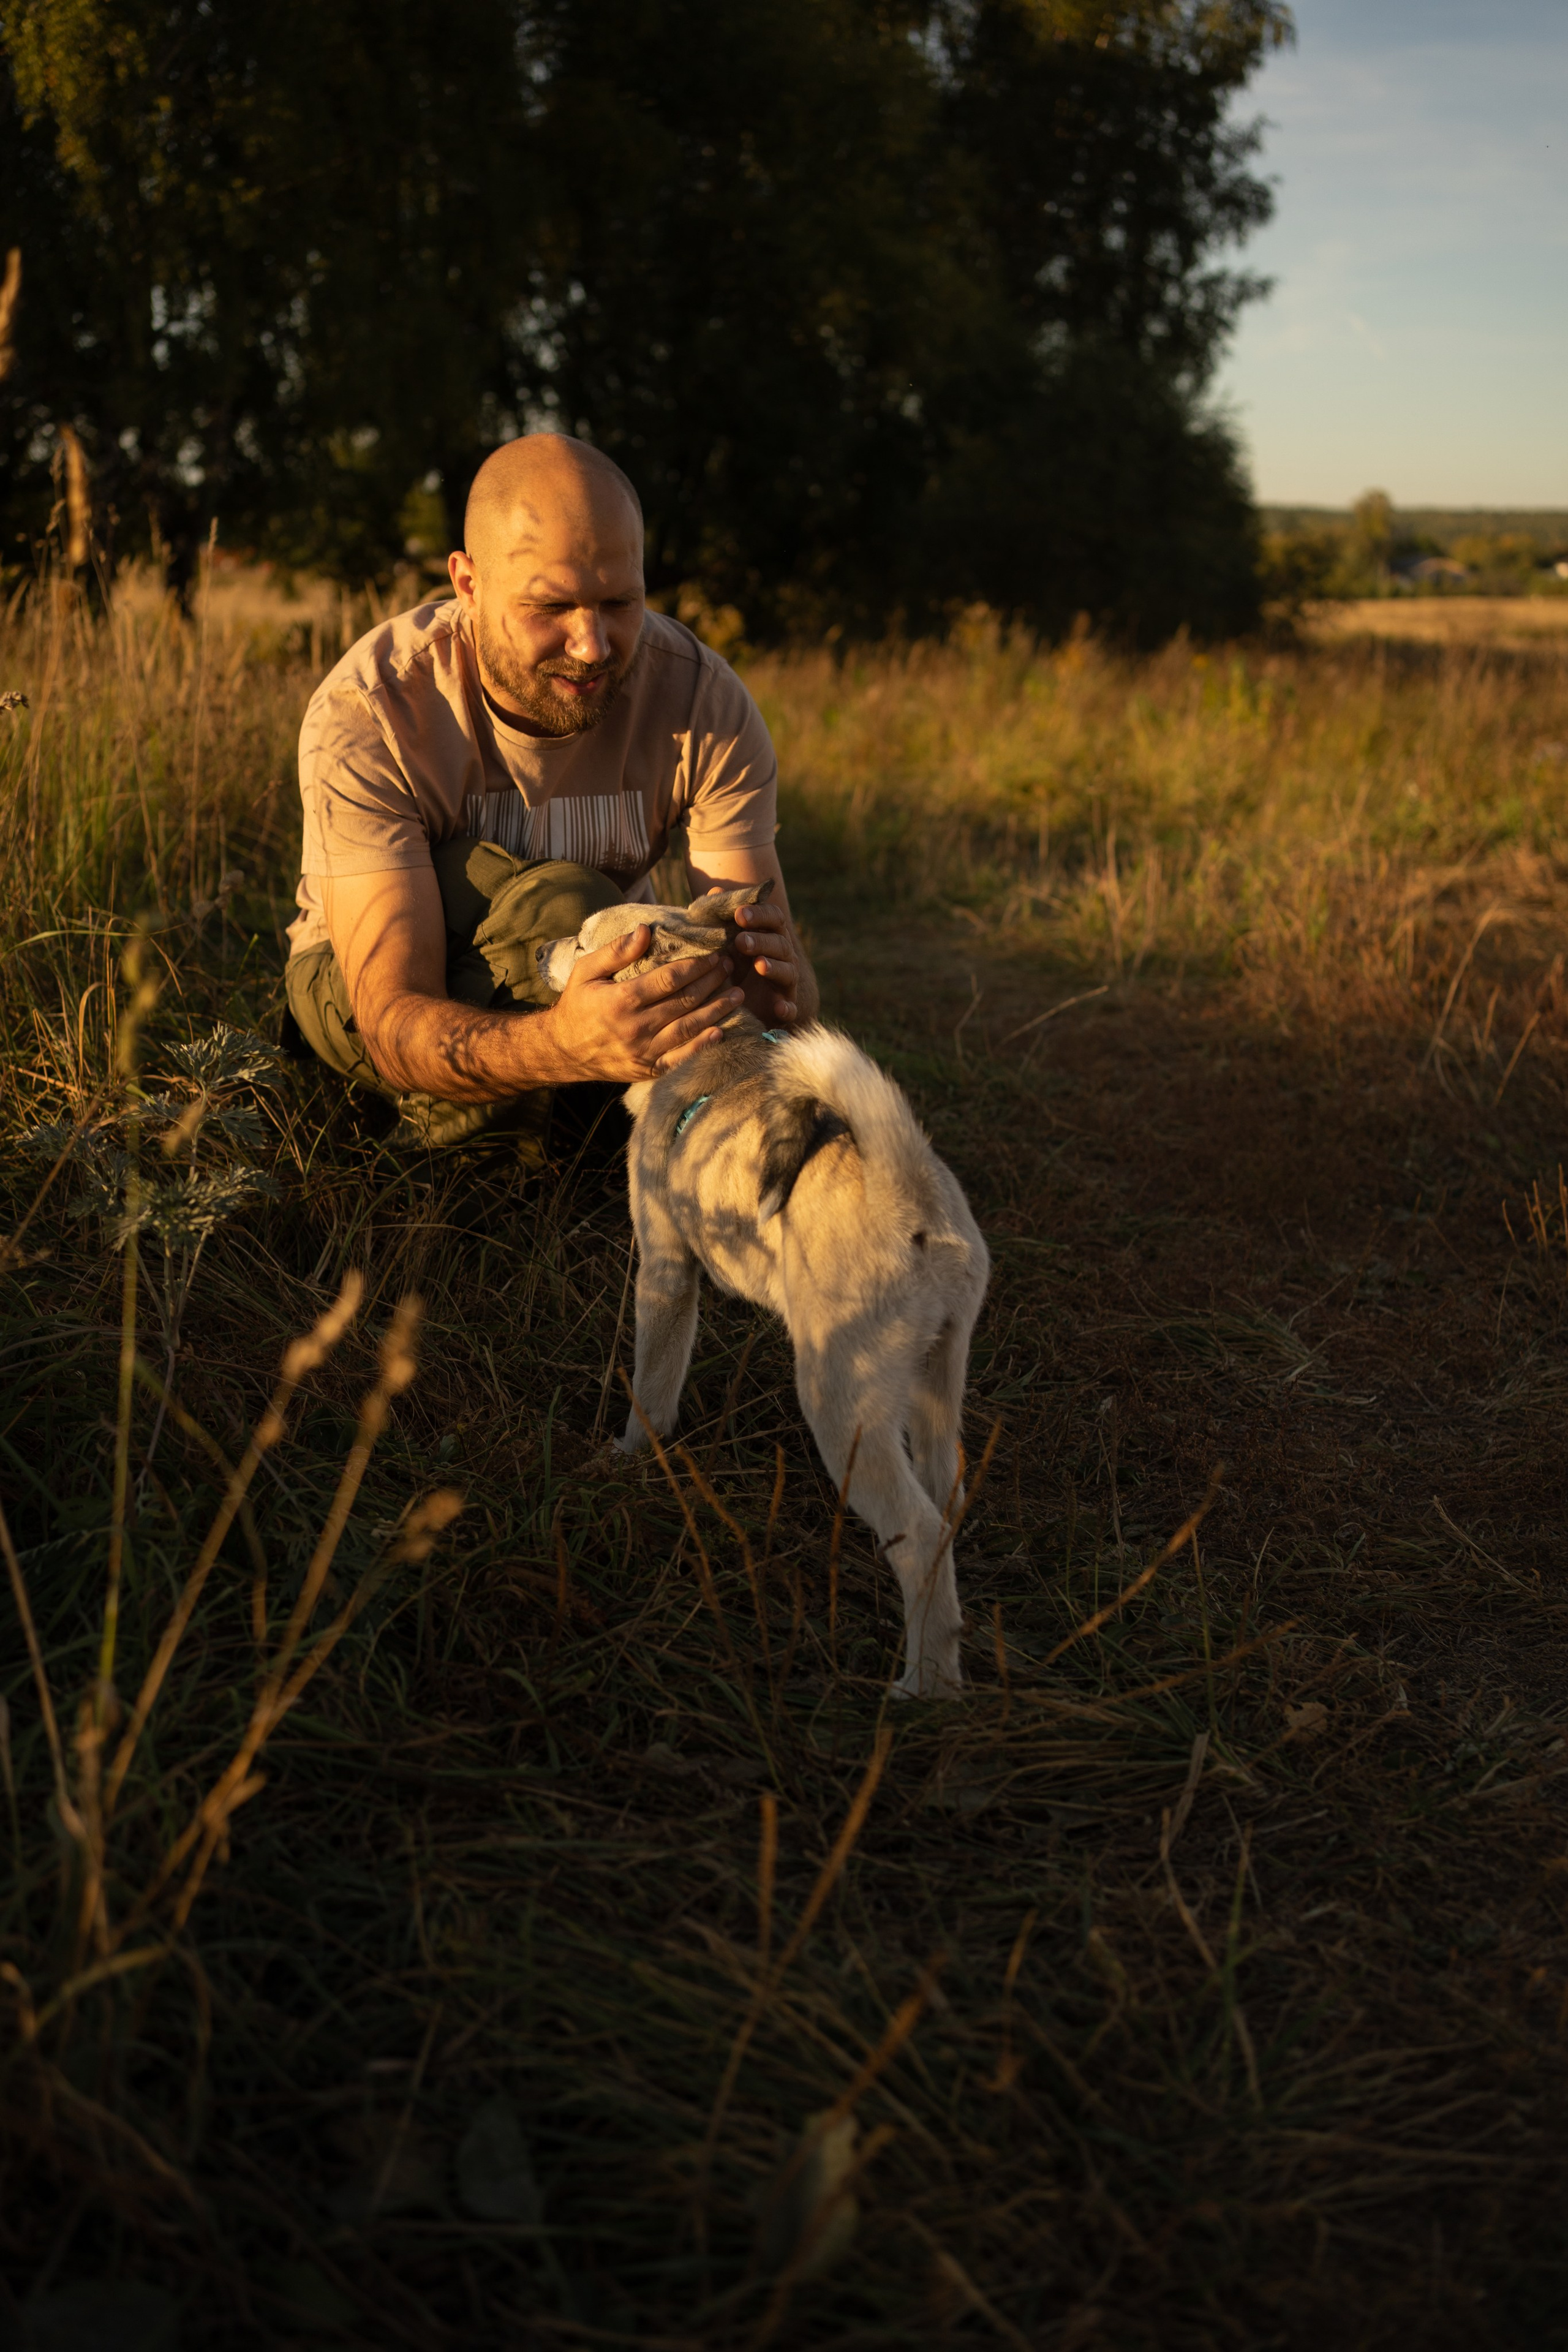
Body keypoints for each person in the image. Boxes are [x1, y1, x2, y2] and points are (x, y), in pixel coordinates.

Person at [283, 432, 818, 1153]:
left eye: (619, 602)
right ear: (468, 584)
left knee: (637, 938)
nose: (593, 644)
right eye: (552, 606)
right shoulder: (373, 709)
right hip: (364, 982)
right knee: (571, 903)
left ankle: (559, 1133)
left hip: (575, 967)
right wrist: (562, 1049)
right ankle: (454, 1163)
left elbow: (774, 978)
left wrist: (778, 991)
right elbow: (390, 1015)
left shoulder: (703, 702)